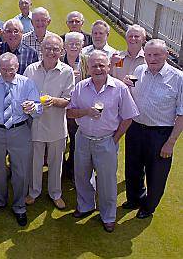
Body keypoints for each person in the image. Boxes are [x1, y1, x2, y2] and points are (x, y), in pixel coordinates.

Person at [67, 50, 139, 233]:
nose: (98, 68)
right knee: (82, 176)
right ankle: (85, 206)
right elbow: (69, 112)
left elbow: (128, 117)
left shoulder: (120, 88)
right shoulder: (80, 87)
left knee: (107, 182)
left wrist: (115, 140)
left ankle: (108, 216)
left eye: (101, 65)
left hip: (106, 140)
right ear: (88, 68)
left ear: (108, 66)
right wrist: (86, 112)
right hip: (83, 138)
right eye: (94, 65)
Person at [0, 52, 41, 226]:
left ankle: (19, 206)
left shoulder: (27, 83)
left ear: (17, 67)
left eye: (10, 70)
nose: (6, 73)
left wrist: (33, 107)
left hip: (19, 131)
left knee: (21, 171)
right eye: (3, 69)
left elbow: (39, 109)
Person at [123, 39, 182, 219]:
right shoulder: (140, 70)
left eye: (157, 54)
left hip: (160, 133)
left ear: (166, 55)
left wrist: (170, 143)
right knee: (132, 168)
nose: (152, 58)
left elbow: (181, 114)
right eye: (148, 54)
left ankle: (148, 207)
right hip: (135, 128)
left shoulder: (178, 78)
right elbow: (131, 95)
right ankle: (134, 199)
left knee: (156, 174)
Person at [23, 34, 75, 209]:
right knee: (35, 162)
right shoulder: (30, 70)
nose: (51, 52)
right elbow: (22, 95)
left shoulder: (67, 71)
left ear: (61, 51)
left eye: (55, 49)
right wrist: (27, 105)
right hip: (35, 126)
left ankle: (55, 193)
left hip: (56, 127)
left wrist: (54, 101)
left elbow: (69, 100)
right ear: (41, 49)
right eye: (48, 48)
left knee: (56, 163)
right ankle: (33, 192)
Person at [62, 32, 89, 178]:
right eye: (70, 43)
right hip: (59, 106)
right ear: (65, 45)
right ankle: (59, 168)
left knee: (75, 141)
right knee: (59, 141)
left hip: (77, 109)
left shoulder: (87, 61)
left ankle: (72, 168)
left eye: (77, 44)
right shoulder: (58, 60)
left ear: (82, 45)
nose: (73, 46)